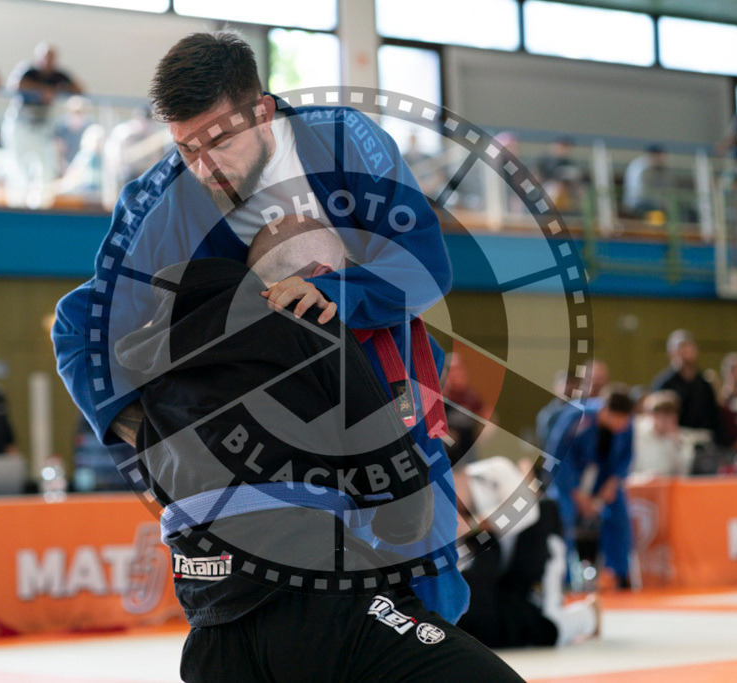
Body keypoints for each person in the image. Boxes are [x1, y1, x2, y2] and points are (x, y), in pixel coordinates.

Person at [52, 32, 465, 624]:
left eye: (219, 141)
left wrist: (333, 292)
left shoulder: (344, 141)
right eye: (186, 148)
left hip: (389, 394)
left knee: (431, 594)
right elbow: (80, 325)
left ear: (263, 111)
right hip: (277, 438)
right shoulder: (164, 202)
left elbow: (425, 265)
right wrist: (142, 431)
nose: (205, 167)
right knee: (311, 616)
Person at [113, 219, 522, 681]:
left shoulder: (153, 368)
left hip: (211, 635)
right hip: (321, 608)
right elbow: (408, 510)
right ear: (323, 276)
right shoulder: (317, 327)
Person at [456, 456, 598, 649]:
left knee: (549, 619)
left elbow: (527, 513)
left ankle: (585, 614)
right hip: (499, 575)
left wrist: (476, 524)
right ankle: (582, 616)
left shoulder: (495, 470)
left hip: (535, 547)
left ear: (463, 473)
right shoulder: (446, 512)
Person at [547, 384, 635, 589]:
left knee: (620, 515)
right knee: (563, 515)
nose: (623, 424)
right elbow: (558, 456)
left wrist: (613, 483)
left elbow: (625, 458)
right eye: (620, 419)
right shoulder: (578, 416)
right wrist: (576, 494)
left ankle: (617, 574)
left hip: (602, 479)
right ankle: (564, 579)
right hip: (569, 481)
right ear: (607, 411)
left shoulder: (627, 425)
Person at [2, 42, 83, 208]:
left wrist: (60, 90)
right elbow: (14, 84)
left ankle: (40, 204)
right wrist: (43, 90)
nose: (47, 61)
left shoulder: (58, 76)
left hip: (42, 128)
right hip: (21, 125)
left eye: (51, 58)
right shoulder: (28, 70)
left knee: (46, 165)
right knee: (18, 166)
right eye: (45, 57)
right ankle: (18, 203)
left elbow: (79, 89)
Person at [650, 329, 727, 445]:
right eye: (681, 348)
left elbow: (715, 415)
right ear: (671, 353)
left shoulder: (704, 382)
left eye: (689, 347)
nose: (686, 352)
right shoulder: (664, 384)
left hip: (703, 439)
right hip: (674, 440)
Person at [630, 390, 693, 477]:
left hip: (667, 482)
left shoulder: (680, 438)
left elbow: (684, 472)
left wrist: (677, 443)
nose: (667, 422)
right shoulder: (636, 434)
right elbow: (628, 469)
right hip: (640, 481)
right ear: (653, 415)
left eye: (671, 417)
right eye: (663, 417)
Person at [622, 145, 677, 218]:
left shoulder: (662, 169)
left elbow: (668, 188)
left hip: (655, 204)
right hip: (638, 204)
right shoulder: (640, 167)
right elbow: (640, 192)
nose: (660, 158)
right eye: (658, 155)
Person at [535, 370, 579, 452]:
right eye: (565, 383)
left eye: (572, 383)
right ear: (555, 387)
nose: (568, 388)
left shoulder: (581, 412)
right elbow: (545, 444)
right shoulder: (547, 415)